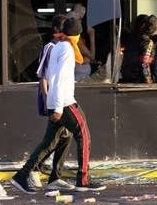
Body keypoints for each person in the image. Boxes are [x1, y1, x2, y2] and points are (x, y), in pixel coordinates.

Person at [10, 17, 106, 194]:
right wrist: (60, 108)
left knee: (48, 142)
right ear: (77, 34)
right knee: (83, 135)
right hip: (65, 102)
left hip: (55, 100)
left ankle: (21, 175)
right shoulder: (68, 50)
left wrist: (53, 105)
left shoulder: (59, 47)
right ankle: (83, 180)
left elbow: (52, 76)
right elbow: (60, 79)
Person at [29, 14, 73, 191]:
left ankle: (55, 175)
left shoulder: (66, 46)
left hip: (63, 99)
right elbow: (43, 76)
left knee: (65, 135)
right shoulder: (50, 47)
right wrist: (50, 100)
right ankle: (32, 170)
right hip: (54, 100)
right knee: (53, 138)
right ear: (56, 30)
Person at [120, 14, 157, 83]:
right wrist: (148, 79)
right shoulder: (147, 42)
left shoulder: (130, 40)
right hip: (139, 79)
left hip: (126, 77)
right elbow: (145, 62)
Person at [68, 3, 96, 82]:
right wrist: (92, 35)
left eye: (80, 20)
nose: (80, 23)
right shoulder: (75, 40)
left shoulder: (73, 39)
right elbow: (92, 57)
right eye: (78, 20)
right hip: (78, 82)